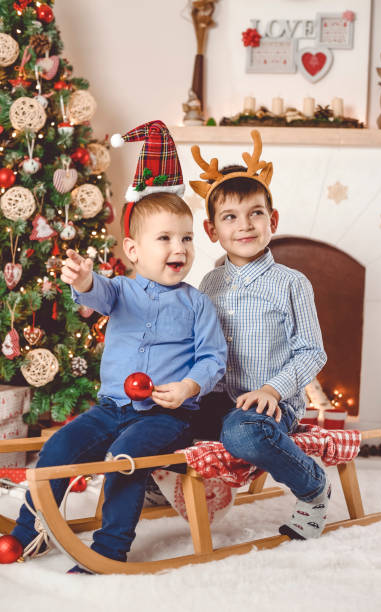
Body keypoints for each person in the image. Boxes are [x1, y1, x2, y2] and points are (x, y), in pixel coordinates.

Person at [2, 121, 226, 571]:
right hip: (111, 405)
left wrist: (187, 387)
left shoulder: (197, 303)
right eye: (163, 238)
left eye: (185, 238)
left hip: (166, 414)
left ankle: (110, 546)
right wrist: (84, 278)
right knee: (60, 448)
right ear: (134, 249)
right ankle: (30, 533)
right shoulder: (121, 289)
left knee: (128, 459)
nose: (177, 247)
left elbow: (213, 357)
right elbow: (96, 292)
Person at [190, 130, 330, 541]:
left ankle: (313, 487)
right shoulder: (209, 283)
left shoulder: (292, 283)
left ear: (273, 220)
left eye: (255, 213)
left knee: (242, 432)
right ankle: (155, 482)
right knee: (162, 416)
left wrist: (272, 389)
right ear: (212, 229)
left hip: (271, 407)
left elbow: (311, 352)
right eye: (230, 217)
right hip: (218, 399)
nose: (244, 225)